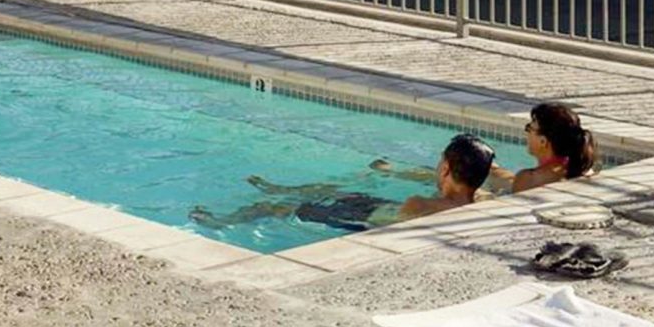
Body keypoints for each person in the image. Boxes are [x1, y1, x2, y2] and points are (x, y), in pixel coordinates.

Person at [190, 134, 495, 233]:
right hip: (377, 209)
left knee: (275, 208)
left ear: (445, 168)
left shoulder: (421, 204)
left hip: (359, 219)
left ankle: (222, 222)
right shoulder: (480, 199)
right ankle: (280, 187)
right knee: (337, 192)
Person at [490, 102, 596, 194]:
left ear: (543, 141)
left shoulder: (528, 179)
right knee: (503, 178)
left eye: (529, 128)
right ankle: (491, 167)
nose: (527, 133)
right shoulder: (584, 170)